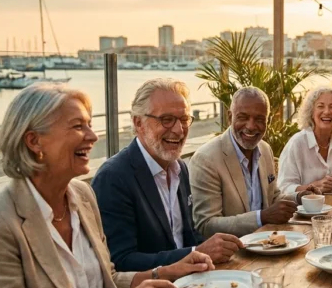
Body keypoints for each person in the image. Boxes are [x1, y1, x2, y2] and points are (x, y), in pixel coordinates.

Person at [0, 84, 214, 288]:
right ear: (34, 140)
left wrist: (167, 271)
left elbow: (108, 278)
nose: (93, 136)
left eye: (90, 125)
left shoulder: (82, 196)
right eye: (77, 126)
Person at [93, 79, 244, 270]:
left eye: (184, 119)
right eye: (167, 120)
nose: (179, 130)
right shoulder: (113, 178)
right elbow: (121, 261)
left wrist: (218, 248)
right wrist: (195, 253)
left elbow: (187, 236)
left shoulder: (180, 168)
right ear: (138, 122)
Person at [189, 87, 308, 238]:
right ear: (230, 116)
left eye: (259, 119)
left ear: (268, 121)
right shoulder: (206, 159)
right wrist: (261, 217)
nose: (251, 126)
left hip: (268, 244)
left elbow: (272, 199)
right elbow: (206, 225)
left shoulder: (265, 150)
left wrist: (299, 198)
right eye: (243, 117)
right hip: (232, 254)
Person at [278, 85, 332, 195]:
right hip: (303, 210)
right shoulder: (297, 143)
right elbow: (283, 189)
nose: (327, 112)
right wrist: (314, 187)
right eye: (320, 106)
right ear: (311, 112)